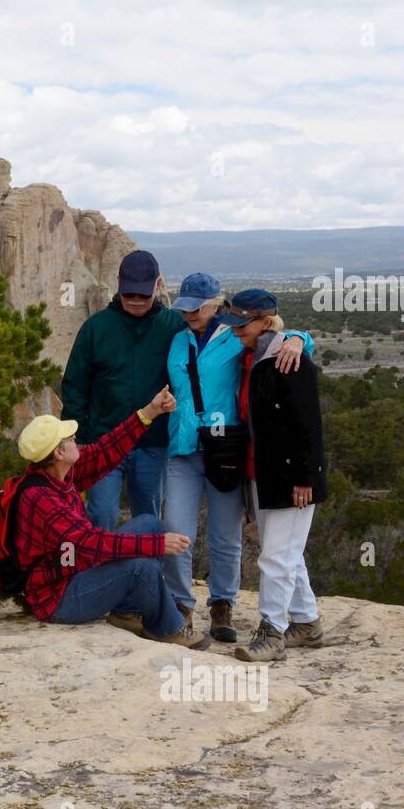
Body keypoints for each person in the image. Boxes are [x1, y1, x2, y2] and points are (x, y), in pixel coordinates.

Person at [162, 273, 313, 642]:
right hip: (183, 448)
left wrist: (300, 337)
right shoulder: (178, 340)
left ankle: (222, 606)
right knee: (176, 531)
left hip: (225, 448)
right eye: (185, 308)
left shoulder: (236, 337)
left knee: (225, 536)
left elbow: (280, 341)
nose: (190, 315)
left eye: (197, 308)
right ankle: (182, 607)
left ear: (218, 304)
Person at [14, 386, 206, 650]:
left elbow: (108, 448)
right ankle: (168, 627)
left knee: (150, 523)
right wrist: (156, 545)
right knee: (141, 566)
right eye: (69, 439)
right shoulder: (41, 498)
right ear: (58, 453)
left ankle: (125, 611)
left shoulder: (60, 473)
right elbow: (91, 542)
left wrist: (148, 412)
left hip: (75, 572)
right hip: (60, 598)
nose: (75, 439)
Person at [228, 290, 328, 662]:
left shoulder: (290, 360)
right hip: (261, 474)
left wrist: (305, 477)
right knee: (286, 554)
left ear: (266, 322)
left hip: (291, 479)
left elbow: (308, 424)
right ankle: (306, 623)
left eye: (243, 323)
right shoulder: (251, 358)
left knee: (275, 558)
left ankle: (272, 632)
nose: (236, 330)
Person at [61, 249, 183, 530]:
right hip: (103, 441)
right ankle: (99, 574)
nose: (136, 301)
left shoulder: (174, 326)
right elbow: (75, 384)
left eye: (143, 294)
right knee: (101, 516)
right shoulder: (96, 327)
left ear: (159, 285)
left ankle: (146, 574)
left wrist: (295, 338)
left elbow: (219, 338)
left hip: (154, 443)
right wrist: (75, 434)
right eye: (130, 294)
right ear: (118, 283)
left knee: (147, 520)